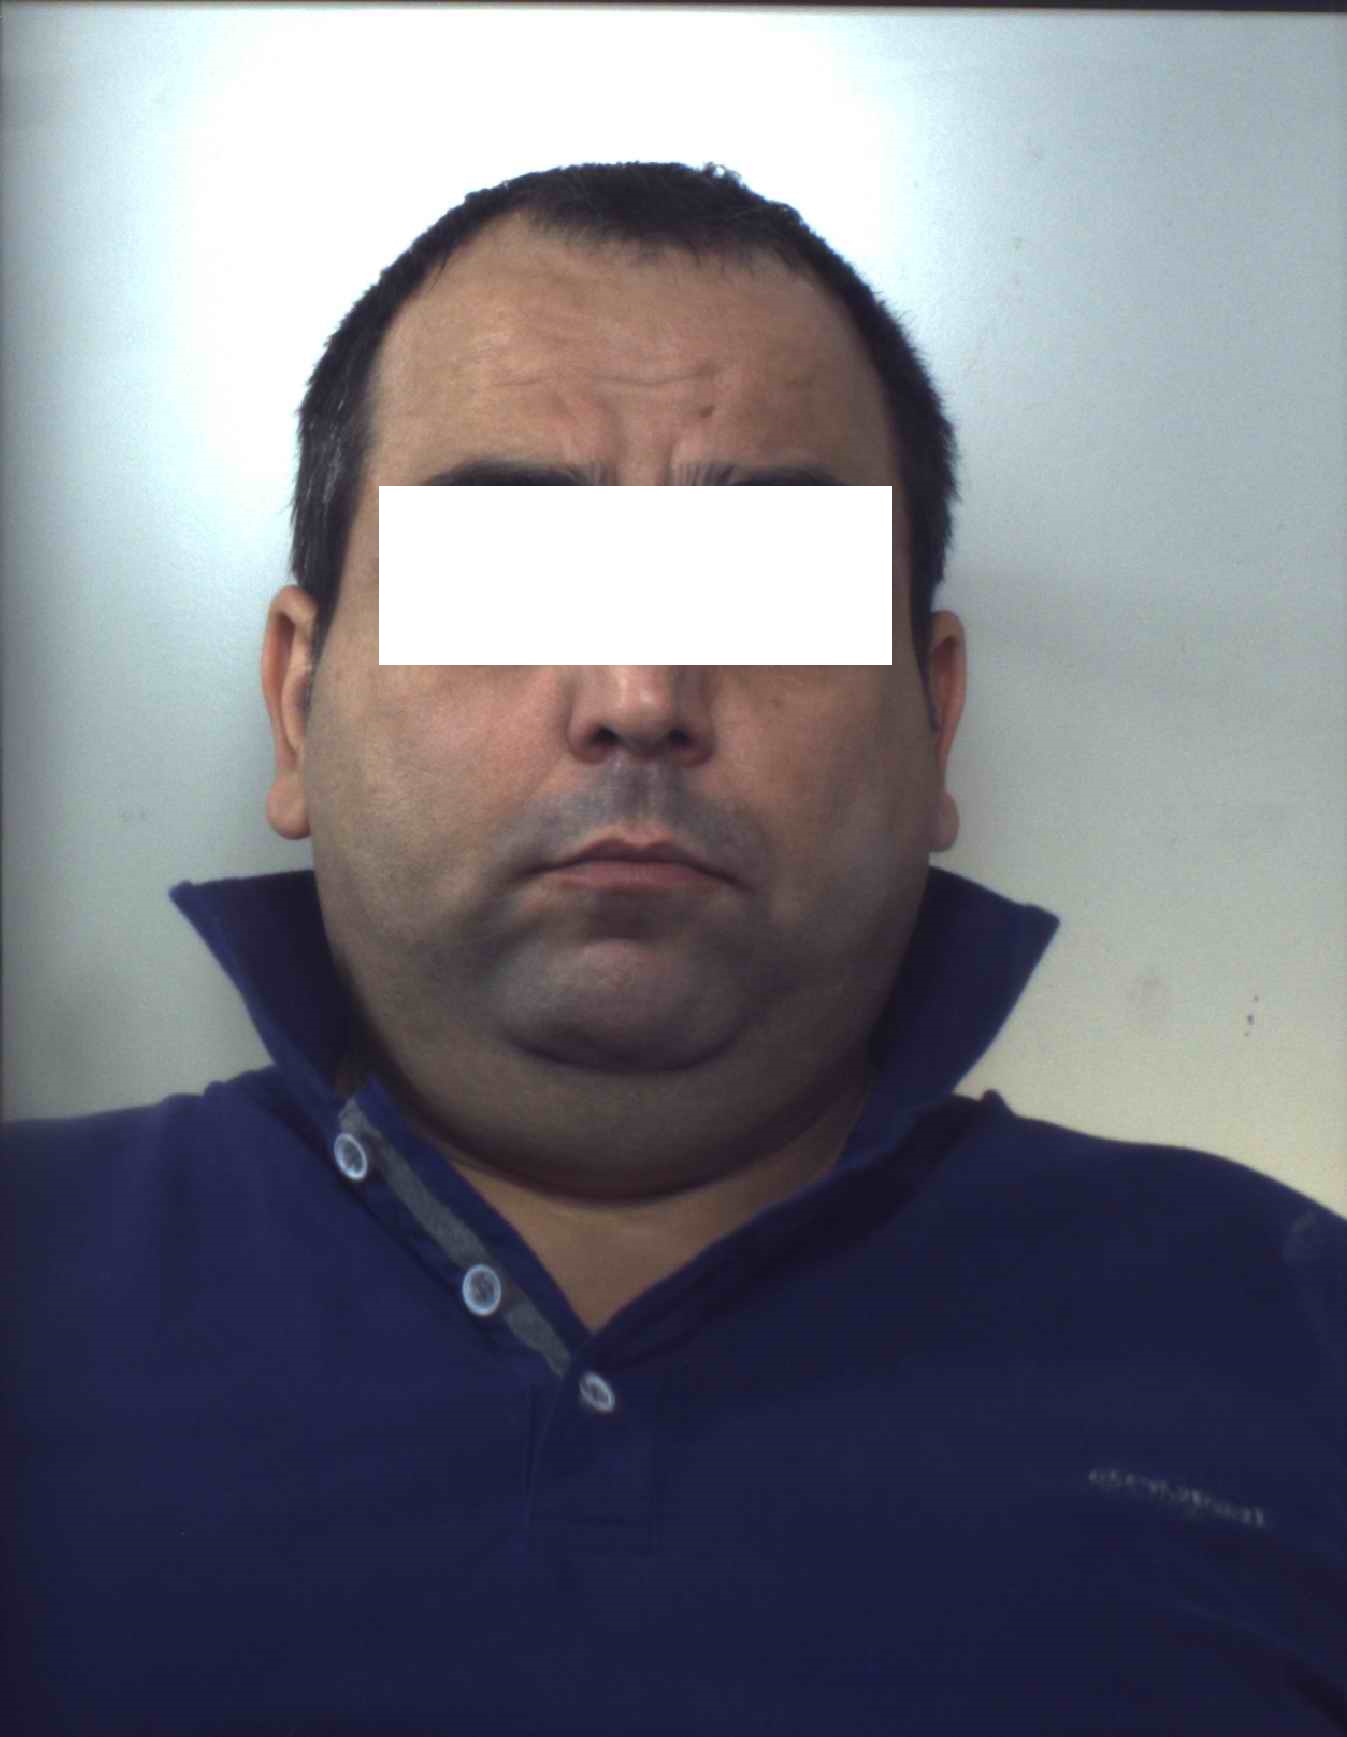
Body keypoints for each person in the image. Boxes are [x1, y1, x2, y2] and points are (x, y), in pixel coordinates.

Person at [4, 162, 1343, 1736]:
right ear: (300, 702)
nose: (640, 694)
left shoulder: (1297, 1342)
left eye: (766, 589)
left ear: (933, 713)